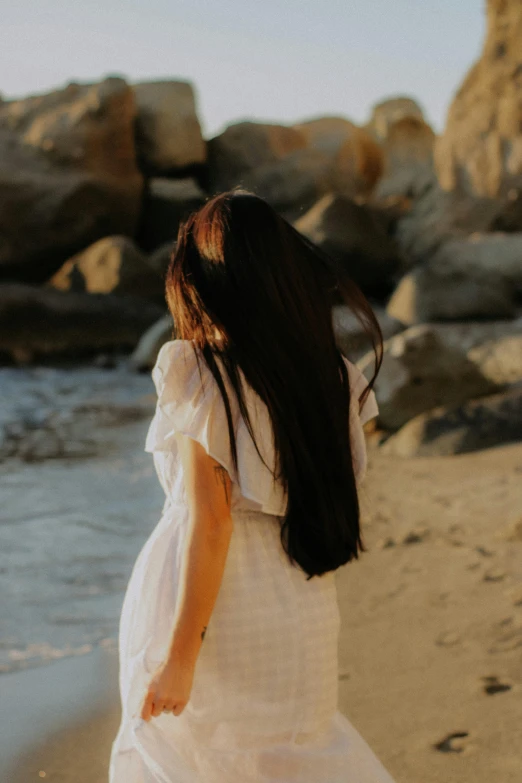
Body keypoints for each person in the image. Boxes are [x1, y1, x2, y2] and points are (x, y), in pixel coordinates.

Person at [109, 189, 397, 782]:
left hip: (220, 606)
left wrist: (180, 658)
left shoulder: (202, 372)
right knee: (297, 758)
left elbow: (210, 524)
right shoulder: (330, 376)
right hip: (298, 597)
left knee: (191, 760)